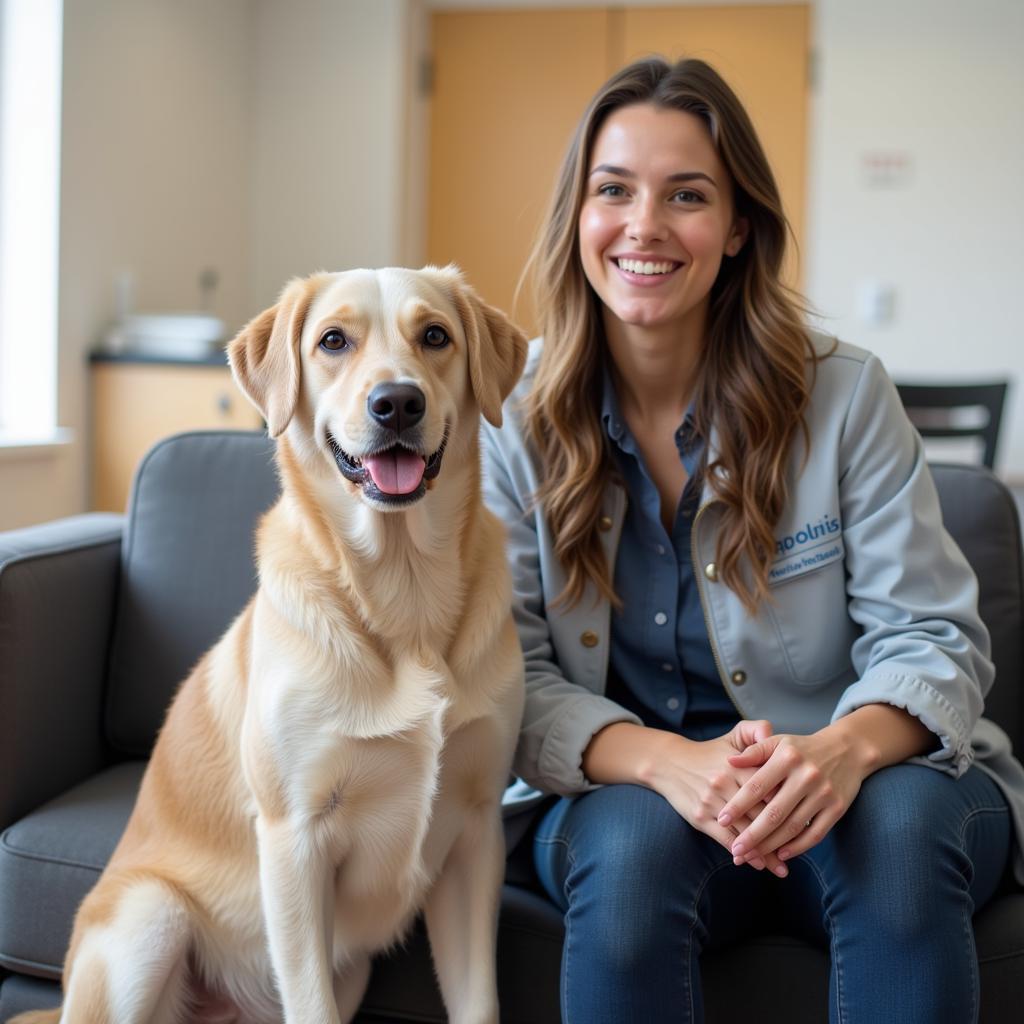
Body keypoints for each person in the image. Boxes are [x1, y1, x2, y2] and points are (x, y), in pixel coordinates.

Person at [483, 56, 1024, 1024]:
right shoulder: (507, 417)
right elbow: (504, 680)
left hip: (867, 788)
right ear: (578, 215)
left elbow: (933, 641)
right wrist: (660, 760)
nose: (644, 225)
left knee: (894, 837)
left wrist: (838, 754)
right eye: (614, 190)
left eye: (685, 195)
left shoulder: (844, 392)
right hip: (633, 799)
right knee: (633, 844)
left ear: (737, 227)